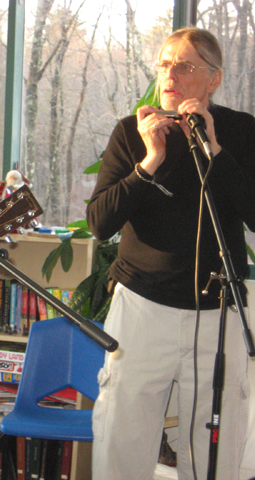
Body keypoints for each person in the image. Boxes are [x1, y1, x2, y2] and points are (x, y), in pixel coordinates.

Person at [87, 27, 255, 480]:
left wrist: (215, 152)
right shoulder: (132, 132)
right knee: (122, 442)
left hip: (218, 314)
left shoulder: (241, 132)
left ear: (213, 79)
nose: (170, 73)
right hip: (142, 308)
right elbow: (99, 222)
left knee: (215, 453)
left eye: (184, 64)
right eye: (164, 63)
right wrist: (150, 161)